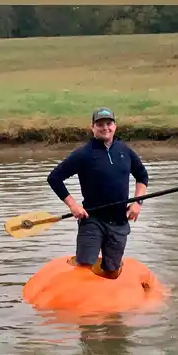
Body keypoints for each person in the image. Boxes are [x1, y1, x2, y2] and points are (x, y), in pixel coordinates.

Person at [47, 107, 149, 279]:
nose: (105, 128)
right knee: (84, 267)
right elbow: (54, 178)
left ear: (115, 126)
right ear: (92, 127)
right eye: (100, 124)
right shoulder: (83, 154)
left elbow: (142, 176)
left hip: (119, 221)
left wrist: (138, 202)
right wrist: (73, 206)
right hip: (92, 220)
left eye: (109, 123)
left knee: (112, 271)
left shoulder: (125, 151)